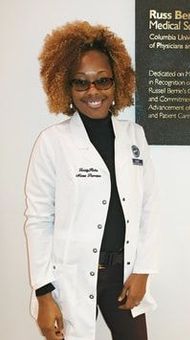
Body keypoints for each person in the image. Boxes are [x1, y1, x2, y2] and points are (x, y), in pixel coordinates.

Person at [24, 21, 159, 340]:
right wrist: (44, 295)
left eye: (103, 81)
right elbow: (38, 220)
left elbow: (149, 209)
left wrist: (142, 271)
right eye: (81, 83)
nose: (93, 91)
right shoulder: (52, 142)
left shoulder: (134, 136)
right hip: (68, 274)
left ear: (117, 83)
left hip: (122, 272)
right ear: (66, 88)